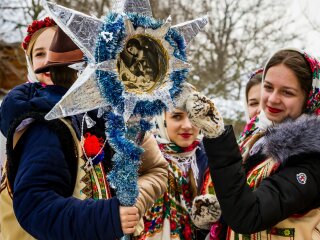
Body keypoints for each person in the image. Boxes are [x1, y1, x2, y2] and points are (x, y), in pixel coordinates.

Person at [0, 27, 168, 240]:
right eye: (39, 53)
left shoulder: (114, 117)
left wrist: (130, 203)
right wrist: (107, 217)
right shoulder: (45, 125)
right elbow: (35, 204)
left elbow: (156, 170)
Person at [186, 48, 320, 239]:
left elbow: (250, 215)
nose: (273, 99)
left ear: (309, 99)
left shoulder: (312, 156)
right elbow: (242, 196)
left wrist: (217, 136)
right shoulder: (256, 138)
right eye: (268, 87)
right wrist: (218, 212)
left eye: (287, 92)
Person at [138, 85, 224, 240]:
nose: (187, 125)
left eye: (192, 117)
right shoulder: (143, 156)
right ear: (161, 118)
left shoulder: (210, 159)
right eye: (177, 116)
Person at [0, 17, 56, 181]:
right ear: (30, 62)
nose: (48, 60)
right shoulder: (21, 99)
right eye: (40, 54)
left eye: (56, 51)